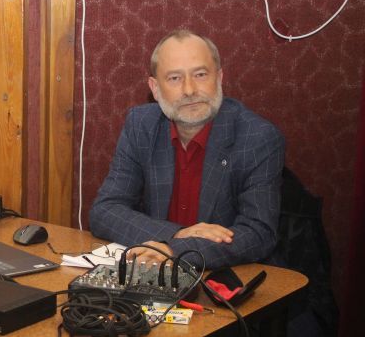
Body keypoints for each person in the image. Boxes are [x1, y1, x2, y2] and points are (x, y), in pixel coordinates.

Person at [90, 29, 285, 270]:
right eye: (174, 78)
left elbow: (258, 233)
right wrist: (176, 234)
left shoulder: (257, 137)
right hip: (153, 273)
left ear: (219, 78)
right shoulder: (141, 125)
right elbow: (105, 211)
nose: (190, 90)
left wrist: (175, 250)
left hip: (224, 276)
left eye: (200, 75)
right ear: (155, 88)